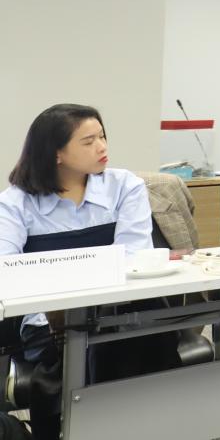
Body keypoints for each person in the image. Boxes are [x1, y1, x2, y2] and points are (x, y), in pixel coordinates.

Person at [0, 104, 180, 440]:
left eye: (102, 136)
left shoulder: (124, 186)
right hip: (50, 324)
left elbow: (133, 256)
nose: (102, 147)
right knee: (97, 353)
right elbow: (6, 270)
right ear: (56, 153)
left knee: (132, 340)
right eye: (88, 141)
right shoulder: (16, 202)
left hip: (121, 310)